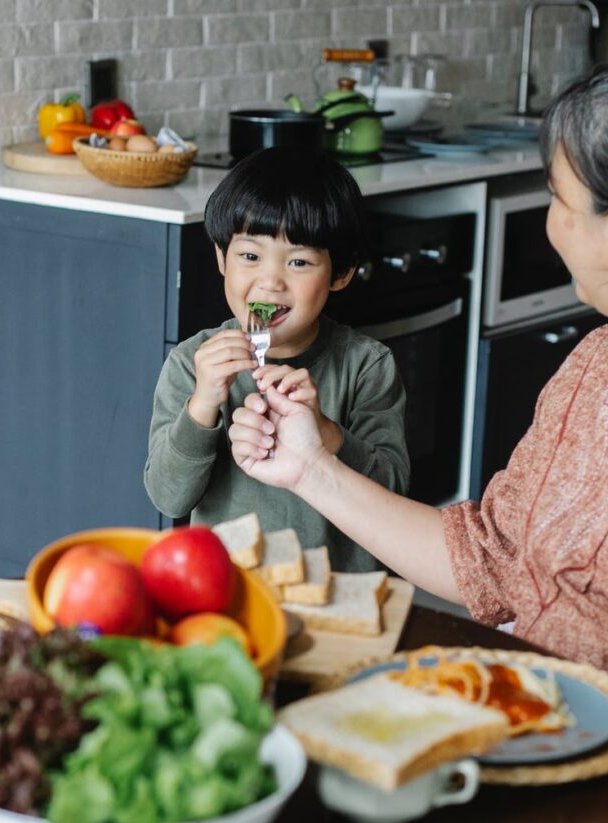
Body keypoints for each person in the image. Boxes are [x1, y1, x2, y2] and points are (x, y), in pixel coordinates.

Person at [229, 55, 608, 823]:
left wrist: (480, 749)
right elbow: (486, 558)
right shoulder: (597, 359)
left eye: (557, 199)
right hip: (550, 748)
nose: (544, 222)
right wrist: (307, 470)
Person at [144, 145, 410, 572]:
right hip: (228, 586)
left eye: (299, 261)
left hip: (336, 590)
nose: (270, 281)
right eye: (249, 256)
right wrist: (203, 405)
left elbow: (394, 492)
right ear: (221, 259)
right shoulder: (192, 363)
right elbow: (167, 495)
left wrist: (326, 434)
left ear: (340, 273)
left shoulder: (367, 366)